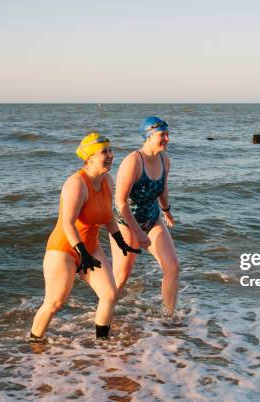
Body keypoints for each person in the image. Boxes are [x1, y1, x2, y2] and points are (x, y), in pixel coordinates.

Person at [29, 132, 140, 343]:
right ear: (89, 158)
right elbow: (67, 223)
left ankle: (102, 344)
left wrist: (120, 241)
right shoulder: (76, 184)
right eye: (104, 152)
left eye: (110, 150)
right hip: (64, 250)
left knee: (109, 294)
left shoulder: (107, 180)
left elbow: (107, 217)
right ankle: (34, 343)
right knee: (55, 302)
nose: (110, 155)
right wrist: (82, 253)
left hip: (90, 247)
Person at [111, 117, 180, 314]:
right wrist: (137, 233)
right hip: (126, 223)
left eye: (168, 134)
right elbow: (120, 203)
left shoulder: (164, 160)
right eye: (162, 135)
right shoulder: (133, 161)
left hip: (152, 219)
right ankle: (106, 315)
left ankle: (169, 316)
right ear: (148, 136)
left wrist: (167, 210)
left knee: (173, 267)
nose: (167, 138)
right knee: (121, 276)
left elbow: (163, 188)